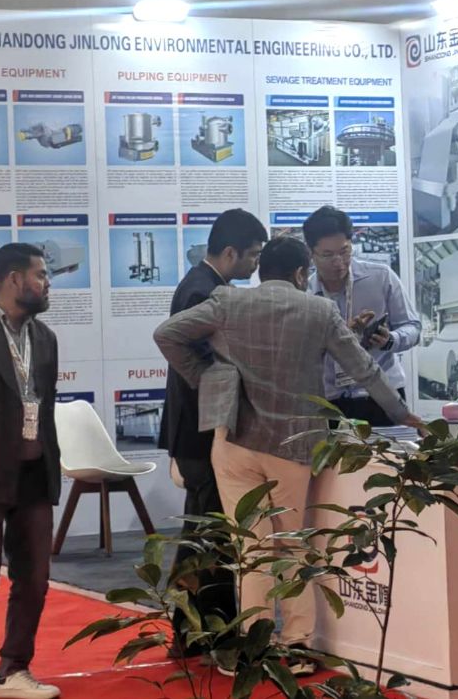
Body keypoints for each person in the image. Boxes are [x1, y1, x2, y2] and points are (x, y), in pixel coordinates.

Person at [153, 236, 420, 674]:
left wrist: (207, 377)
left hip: (234, 441)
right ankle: (296, 646)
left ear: (262, 271)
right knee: (293, 546)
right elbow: (364, 369)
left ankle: (252, 647)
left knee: (250, 548)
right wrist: (402, 413)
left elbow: (166, 334)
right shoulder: (319, 310)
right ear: (301, 273)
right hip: (292, 444)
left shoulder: (227, 302)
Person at [158, 209, 267, 656]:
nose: (256, 265)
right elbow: (198, 357)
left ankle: (195, 631)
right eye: (253, 256)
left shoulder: (206, 285)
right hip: (200, 432)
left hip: (200, 428)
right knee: (209, 535)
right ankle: (202, 631)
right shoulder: (202, 292)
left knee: (208, 532)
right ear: (230, 252)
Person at [0, 244, 60, 699]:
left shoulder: (46, 338)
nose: (48, 283)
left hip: (33, 471)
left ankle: (12, 671)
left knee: (34, 578)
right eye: (41, 274)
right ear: (14, 279)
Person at [303, 206, 420, 425]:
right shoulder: (305, 294)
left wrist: (391, 340)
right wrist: (338, 337)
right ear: (311, 253)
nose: (338, 261)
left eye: (344, 251)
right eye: (327, 255)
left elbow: (413, 326)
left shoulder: (381, 277)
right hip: (330, 402)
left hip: (383, 397)